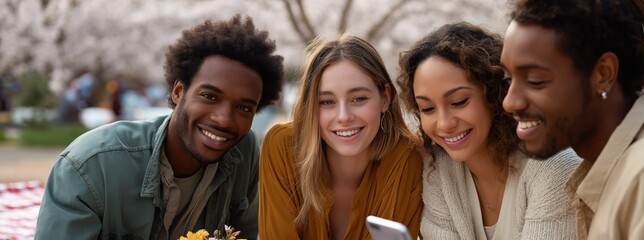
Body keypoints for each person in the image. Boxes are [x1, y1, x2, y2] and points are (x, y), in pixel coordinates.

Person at [35, 14, 283, 240]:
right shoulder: (90, 168)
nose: (225, 119)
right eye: (209, 96)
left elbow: (247, 233)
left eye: (244, 108)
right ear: (178, 91)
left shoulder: (244, 151)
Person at [501, 0, 644, 239]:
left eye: (535, 80)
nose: (510, 103)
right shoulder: (620, 167)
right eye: (508, 80)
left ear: (604, 74)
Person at [397, 22, 581, 240]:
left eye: (459, 101)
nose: (444, 124)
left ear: (495, 94)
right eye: (427, 109)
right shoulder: (439, 170)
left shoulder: (552, 167)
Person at [259, 35, 423, 239]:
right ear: (311, 106)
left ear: (385, 98)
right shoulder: (282, 147)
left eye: (359, 99)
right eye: (327, 102)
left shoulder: (407, 158)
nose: (344, 117)